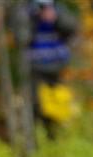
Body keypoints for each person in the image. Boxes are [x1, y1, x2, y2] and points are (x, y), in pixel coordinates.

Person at [28, 0, 77, 130]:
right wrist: (35, 17)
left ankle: (57, 136)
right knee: (38, 106)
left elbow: (72, 28)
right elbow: (20, 36)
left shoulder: (60, 9)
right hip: (36, 69)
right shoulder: (27, 10)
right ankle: (42, 137)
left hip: (59, 69)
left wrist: (56, 19)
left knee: (61, 105)